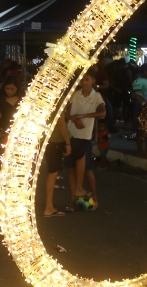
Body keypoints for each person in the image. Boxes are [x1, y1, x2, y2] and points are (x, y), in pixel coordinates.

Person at [66, 68, 105, 209]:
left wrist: (84, 116)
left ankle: (94, 198)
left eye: (87, 79)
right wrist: (73, 119)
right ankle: (74, 200)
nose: (84, 82)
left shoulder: (96, 96)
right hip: (71, 135)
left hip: (85, 137)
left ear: (93, 81)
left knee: (87, 169)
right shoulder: (75, 94)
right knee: (72, 169)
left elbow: (103, 112)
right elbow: (66, 112)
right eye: (82, 79)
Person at [43, 111, 71, 216]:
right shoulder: (59, 102)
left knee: (53, 173)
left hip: (48, 139)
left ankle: (49, 207)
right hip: (54, 141)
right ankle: (48, 208)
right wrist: (67, 142)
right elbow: (60, 121)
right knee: (53, 173)